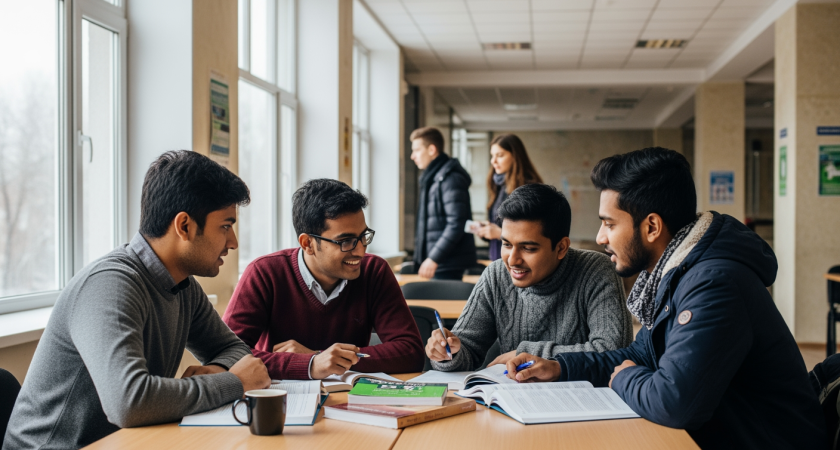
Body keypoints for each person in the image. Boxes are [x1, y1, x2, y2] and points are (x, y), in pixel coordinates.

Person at [503, 148, 826, 449]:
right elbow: (640, 354)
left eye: (609, 223)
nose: (601, 237)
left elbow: (675, 402)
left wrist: (626, 378)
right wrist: (559, 367)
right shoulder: (677, 274)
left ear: (652, 227)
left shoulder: (713, 283)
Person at [3, 151, 271, 450]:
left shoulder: (182, 284)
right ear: (184, 226)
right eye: (225, 226)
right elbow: (128, 402)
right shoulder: (110, 284)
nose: (232, 242)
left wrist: (219, 369)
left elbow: (232, 348)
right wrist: (233, 383)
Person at [223, 179, 424, 380]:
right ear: (307, 243)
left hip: (350, 400)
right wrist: (311, 365)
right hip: (282, 401)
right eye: (346, 241)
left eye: (364, 236)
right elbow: (227, 355)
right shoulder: (264, 273)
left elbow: (410, 351)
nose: (361, 250)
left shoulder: (374, 270)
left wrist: (319, 357)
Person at [427, 184, 632, 371]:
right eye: (506, 245)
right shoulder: (496, 274)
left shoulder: (596, 270)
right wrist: (447, 353)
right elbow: (467, 349)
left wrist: (527, 354)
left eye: (528, 248)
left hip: (581, 402)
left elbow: (614, 352)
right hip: (512, 402)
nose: (513, 260)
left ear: (561, 248)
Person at [409, 127, 476, 279]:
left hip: (445, 263)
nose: (413, 156)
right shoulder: (434, 178)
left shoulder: (449, 179)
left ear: (432, 149)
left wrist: (434, 258)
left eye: (417, 150)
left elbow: (456, 223)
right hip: (439, 261)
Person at [474, 134, 542, 261]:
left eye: (499, 155)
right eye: (492, 156)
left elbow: (533, 234)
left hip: (519, 262)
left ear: (515, 157)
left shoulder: (529, 188)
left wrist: (499, 233)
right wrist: (487, 230)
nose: (493, 161)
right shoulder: (499, 186)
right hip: (498, 259)